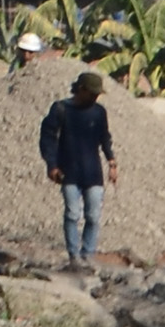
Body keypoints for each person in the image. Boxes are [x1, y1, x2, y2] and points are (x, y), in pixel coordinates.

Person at [39, 69, 115, 268]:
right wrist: (52, 165)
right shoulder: (61, 109)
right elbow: (48, 138)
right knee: (72, 214)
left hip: (92, 172)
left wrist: (112, 162)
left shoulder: (99, 112)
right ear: (80, 90)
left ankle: (88, 253)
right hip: (69, 171)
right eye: (92, 93)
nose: (95, 97)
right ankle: (74, 255)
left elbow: (104, 137)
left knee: (93, 216)